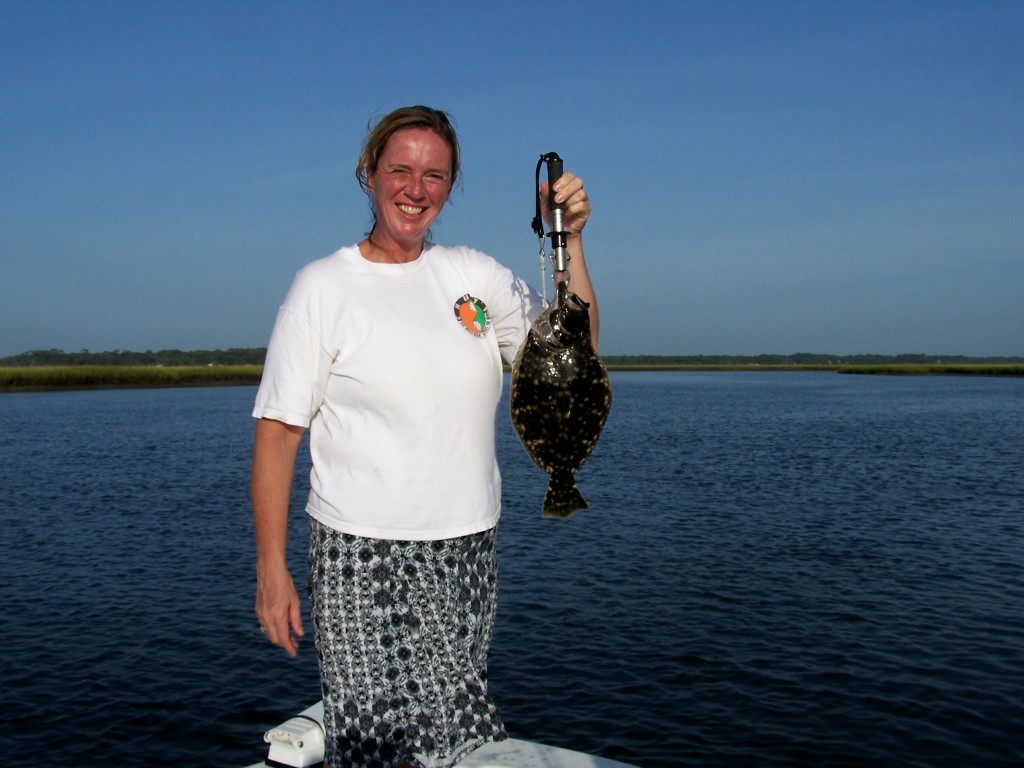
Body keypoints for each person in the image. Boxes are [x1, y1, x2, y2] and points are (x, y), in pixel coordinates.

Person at [251, 105, 596, 768]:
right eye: (400, 170)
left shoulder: (474, 276)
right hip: (359, 552)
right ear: (369, 173)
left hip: (467, 545)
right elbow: (277, 435)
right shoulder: (322, 287)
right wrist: (273, 568)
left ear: (451, 185)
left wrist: (571, 239)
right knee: (379, 740)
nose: (416, 188)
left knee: (455, 727)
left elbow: (574, 358)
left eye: (435, 175)